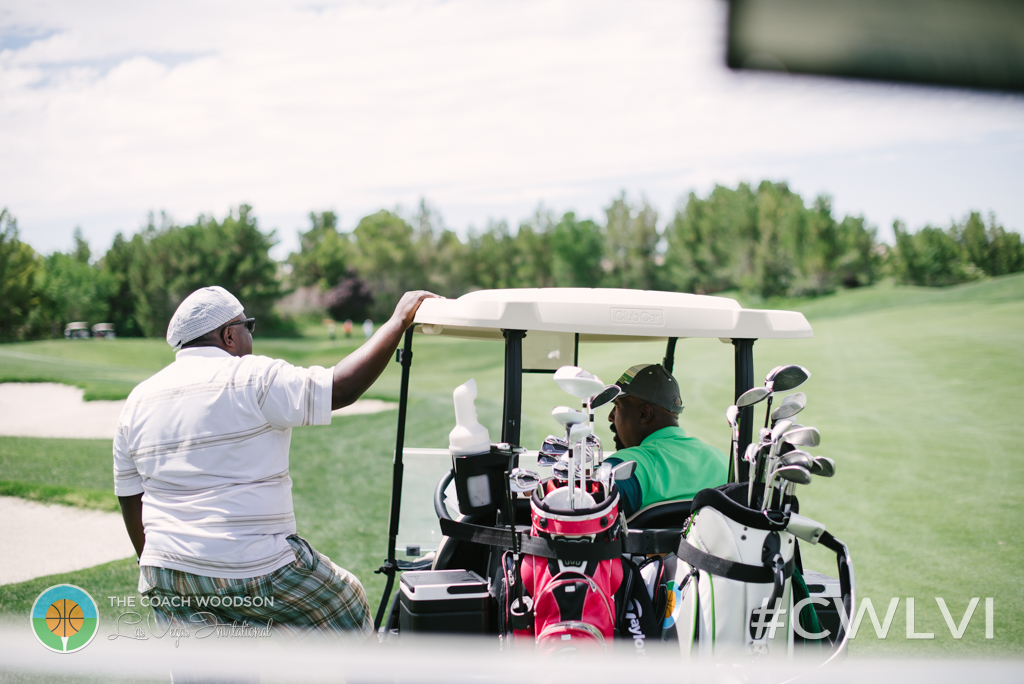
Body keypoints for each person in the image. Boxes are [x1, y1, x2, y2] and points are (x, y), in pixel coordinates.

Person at [114, 285, 436, 642]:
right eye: (247, 326)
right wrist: (397, 320)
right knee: (347, 600)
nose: (251, 336)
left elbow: (130, 496)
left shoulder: (137, 399)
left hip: (165, 569)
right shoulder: (251, 376)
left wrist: (155, 562)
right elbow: (342, 387)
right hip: (252, 565)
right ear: (229, 335)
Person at [604, 363, 727, 518]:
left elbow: (588, 502)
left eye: (617, 406)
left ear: (644, 413)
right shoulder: (722, 461)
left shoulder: (630, 465)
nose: (610, 416)